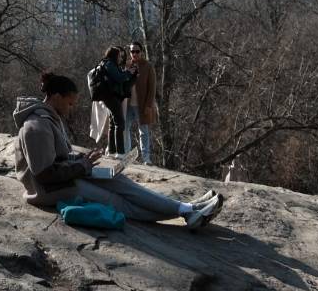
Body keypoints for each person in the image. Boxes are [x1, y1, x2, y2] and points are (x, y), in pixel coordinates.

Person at [12, 71, 222, 231]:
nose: (71, 108)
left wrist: (82, 160)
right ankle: (187, 213)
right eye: (70, 103)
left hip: (65, 178)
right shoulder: (36, 126)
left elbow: (57, 157)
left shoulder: (50, 118)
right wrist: (82, 166)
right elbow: (43, 174)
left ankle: (187, 208)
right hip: (48, 190)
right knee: (118, 202)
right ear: (56, 97)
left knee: (121, 182)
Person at [87, 46, 136, 156]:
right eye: (118, 55)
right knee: (120, 123)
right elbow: (119, 78)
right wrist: (128, 73)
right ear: (114, 55)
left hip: (109, 96)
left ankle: (112, 151)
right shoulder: (109, 64)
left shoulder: (107, 63)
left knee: (113, 124)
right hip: (110, 97)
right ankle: (120, 152)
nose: (120, 57)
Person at [125, 42, 157, 164]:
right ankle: (127, 155)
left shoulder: (148, 66)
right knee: (125, 129)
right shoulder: (127, 65)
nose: (135, 54)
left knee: (143, 131)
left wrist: (149, 105)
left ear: (141, 52)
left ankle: (146, 158)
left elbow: (152, 87)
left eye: (137, 51)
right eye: (132, 51)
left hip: (142, 105)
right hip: (127, 105)